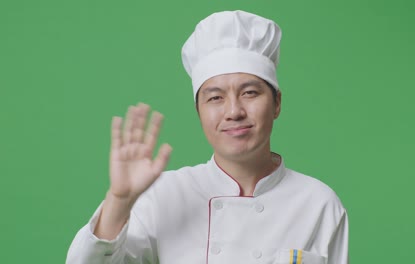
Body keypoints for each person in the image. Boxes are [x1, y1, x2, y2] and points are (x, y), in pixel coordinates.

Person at [66, 10, 348, 264]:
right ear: (198, 111)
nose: (234, 111)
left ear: (276, 103)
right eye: (215, 97)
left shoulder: (318, 203)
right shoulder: (164, 195)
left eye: (250, 92)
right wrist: (119, 200)